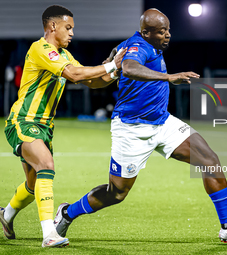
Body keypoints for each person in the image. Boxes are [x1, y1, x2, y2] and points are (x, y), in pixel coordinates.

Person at [54, 8, 227, 245]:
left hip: (162, 122)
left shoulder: (138, 44)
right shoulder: (138, 47)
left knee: (210, 161)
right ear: (146, 32)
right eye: (161, 32)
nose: (167, 35)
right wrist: (169, 77)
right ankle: (68, 212)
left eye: (168, 30)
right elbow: (130, 67)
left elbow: (119, 63)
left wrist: (113, 61)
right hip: (132, 129)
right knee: (116, 193)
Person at [0, 5, 126, 248]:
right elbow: (75, 74)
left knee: (33, 184)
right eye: (68, 28)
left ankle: (6, 215)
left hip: (45, 127)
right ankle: (50, 234)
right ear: (53, 26)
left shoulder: (65, 56)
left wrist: (114, 71)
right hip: (24, 121)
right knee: (46, 164)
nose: (72, 33)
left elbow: (90, 80)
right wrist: (110, 66)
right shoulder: (41, 49)